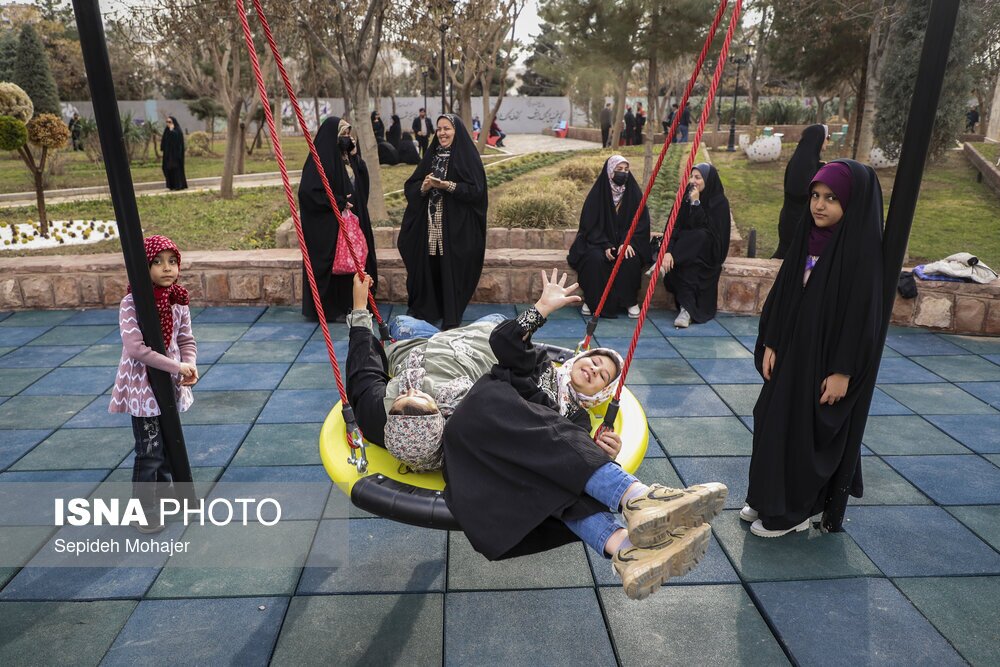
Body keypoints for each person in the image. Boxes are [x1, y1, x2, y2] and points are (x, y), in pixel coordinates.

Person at [442, 270, 728, 600]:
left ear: (600, 394)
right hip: (475, 436)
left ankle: (627, 551)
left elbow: (568, 464)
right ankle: (637, 497)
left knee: (567, 488)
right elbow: (502, 341)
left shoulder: (576, 423)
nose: (593, 369)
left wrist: (603, 456)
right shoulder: (537, 365)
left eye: (601, 376)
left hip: (496, 480)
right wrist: (541, 309)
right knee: (519, 413)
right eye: (593, 361)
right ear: (581, 356)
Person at [744, 160, 884, 538]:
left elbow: (861, 319)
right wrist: (771, 340)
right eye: (816, 196)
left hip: (824, 362)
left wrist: (843, 371)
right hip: (791, 351)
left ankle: (793, 512)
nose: (819, 206)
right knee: (770, 419)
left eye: (832, 198)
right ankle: (767, 495)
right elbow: (783, 294)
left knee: (802, 432)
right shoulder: (807, 237)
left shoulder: (861, 251)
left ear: (852, 204)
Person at [345, 274, 505, 470]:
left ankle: (441, 332)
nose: (411, 389)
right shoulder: (472, 414)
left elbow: (363, 365)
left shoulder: (377, 417)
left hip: (417, 346)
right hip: (475, 343)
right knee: (498, 320)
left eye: (401, 396)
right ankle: (451, 330)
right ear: (439, 417)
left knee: (400, 322)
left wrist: (359, 306)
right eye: (422, 397)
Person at [109, 235, 198, 533]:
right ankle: (143, 510)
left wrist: (191, 363)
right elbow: (136, 349)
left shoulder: (177, 299)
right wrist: (177, 366)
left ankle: (162, 496)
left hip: (169, 382)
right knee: (150, 451)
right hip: (143, 387)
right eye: (157, 262)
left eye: (172, 261)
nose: (167, 268)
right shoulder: (132, 302)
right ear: (143, 267)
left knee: (168, 442)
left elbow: (185, 339)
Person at [397, 114, 487, 329]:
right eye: (439, 129)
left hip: (455, 230)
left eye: (447, 128)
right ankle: (427, 309)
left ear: (457, 132)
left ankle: (450, 315)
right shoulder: (432, 155)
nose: (442, 133)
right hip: (429, 227)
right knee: (430, 267)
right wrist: (425, 187)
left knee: (450, 270)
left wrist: (448, 186)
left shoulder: (467, 157)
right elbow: (411, 185)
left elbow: (476, 191)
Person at [298, 116, 378, 322]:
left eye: (348, 134)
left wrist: (355, 157)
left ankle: (354, 303)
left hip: (351, 222)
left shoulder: (346, 159)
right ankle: (330, 309)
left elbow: (360, 183)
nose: (347, 138)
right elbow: (309, 193)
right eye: (342, 134)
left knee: (354, 262)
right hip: (329, 226)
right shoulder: (320, 161)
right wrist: (337, 202)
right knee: (335, 265)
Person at [568, 155, 651, 319]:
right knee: (593, 259)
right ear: (609, 171)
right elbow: (589, 225)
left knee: (629, 257)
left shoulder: (633, 194)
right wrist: (605, 245)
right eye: (619, 170)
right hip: (598, 242)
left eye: (626, 170)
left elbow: (641, 223)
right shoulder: (598, 194)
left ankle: (629, 301)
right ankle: (593, 302)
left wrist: (628, 242)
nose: (623, 173)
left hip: (626, 243)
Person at [660, 163, 731, 328]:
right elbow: (673, 226)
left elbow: (712, 233)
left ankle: (664, 265)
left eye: (698, 177)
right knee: (689, 266)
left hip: (710, 253)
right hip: (687, 254)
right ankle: (686, 311)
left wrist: (696, 203)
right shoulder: (685, 196)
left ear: (708, 179)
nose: (693, 181)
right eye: (692, 177)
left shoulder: (719, 202)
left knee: (701, 235)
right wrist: (668, 252)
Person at [773, 124, 828, 259]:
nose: (828, 141)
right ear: (818, 139)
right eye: (827, 138)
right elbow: (800, 194)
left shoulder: (807, 160)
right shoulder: (805, 164)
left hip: (793, 219)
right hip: (796, 222)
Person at [160, 116, 187, 191]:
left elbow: (178, 142)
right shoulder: (166, 130)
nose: (168, 124)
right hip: (168, 154)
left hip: (175, 155)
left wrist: (172, 131)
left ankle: (179, 185)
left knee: (175, 169)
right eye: (167, 122)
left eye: (170, 122)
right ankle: (171, 185)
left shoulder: (177, 130)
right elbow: (164, 141)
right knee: (167, 168)